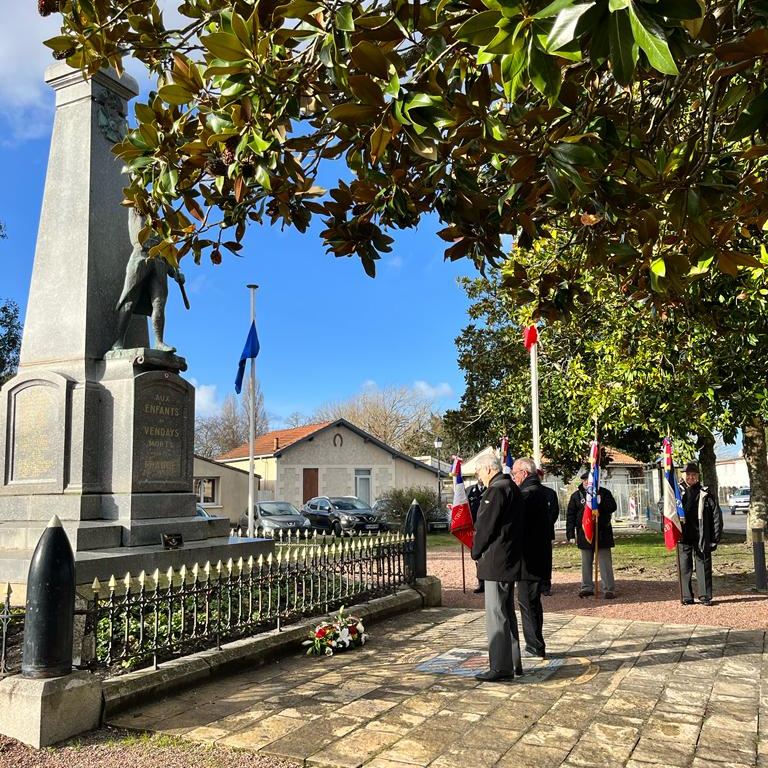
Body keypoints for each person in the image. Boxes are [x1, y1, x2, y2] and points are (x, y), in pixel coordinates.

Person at [471, 453, 525, 682]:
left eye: (479, 471)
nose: (478, 476)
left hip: (496, 560)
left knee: (497, 614)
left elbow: (486, 526)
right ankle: (513, 662)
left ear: (489, 469)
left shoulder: (495, 490)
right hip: (509, 557)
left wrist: (475, 550)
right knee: (506, 612)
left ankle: (500, 667)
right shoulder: (511, 487)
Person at [112, 208, 185, 353]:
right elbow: (137, 201)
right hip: (140, 255)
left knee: (159, 303)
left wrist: (175, 273)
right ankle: (118, 341)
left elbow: (167, 251)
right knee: (129, 299)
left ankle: (159, 342)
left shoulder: (164, 223)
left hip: (159, 261)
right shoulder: (137, 208)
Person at [512, 458, 551, 659]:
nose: (513, 477)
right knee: (532, 602)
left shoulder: (527, 494)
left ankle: (535, 646)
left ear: (524, 473)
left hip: (529, 559)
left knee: (528, 602)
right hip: (537, 557)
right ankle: (535, 643)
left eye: (515, 473)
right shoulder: (539, 492)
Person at [566, 471, 618, 599]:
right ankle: (587, 587)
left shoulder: (604, 493)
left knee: (605, 563)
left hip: (602, 532)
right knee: (586, 562)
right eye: (584, 481)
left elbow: (613, 507)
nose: (586, 483)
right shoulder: (576, 496)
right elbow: (571, 515)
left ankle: (608, 589)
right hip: (585, 533)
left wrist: (601, 503)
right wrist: (570, 534)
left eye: (589, 481)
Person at [678, 462, 723, 606]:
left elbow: (716, 516)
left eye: (694, 475)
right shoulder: (675, 492)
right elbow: (663, 506)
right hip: (682, 536)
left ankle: (705, 596)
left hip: (701, 536)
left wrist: (715, 538)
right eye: (688, 474)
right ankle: (686, 596)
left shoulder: (706, 493)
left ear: (698, 476)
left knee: (703, 566)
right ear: (683, 475)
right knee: (684, 567)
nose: (691, 477)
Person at [538, 468, 560, 596]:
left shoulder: (550, 493)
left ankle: (545, 585)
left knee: (545, 559)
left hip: (545, 532)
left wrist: (545, 525)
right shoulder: (524, 491)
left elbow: (554, 511)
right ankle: (535, 583)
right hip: (530, 533)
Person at [467, 478, 485, 594]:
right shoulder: (469, 490)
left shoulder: (492, 489)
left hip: (488, 527)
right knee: (477, 556)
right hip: (474, 528)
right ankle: (481, 582)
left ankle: (490, 581)